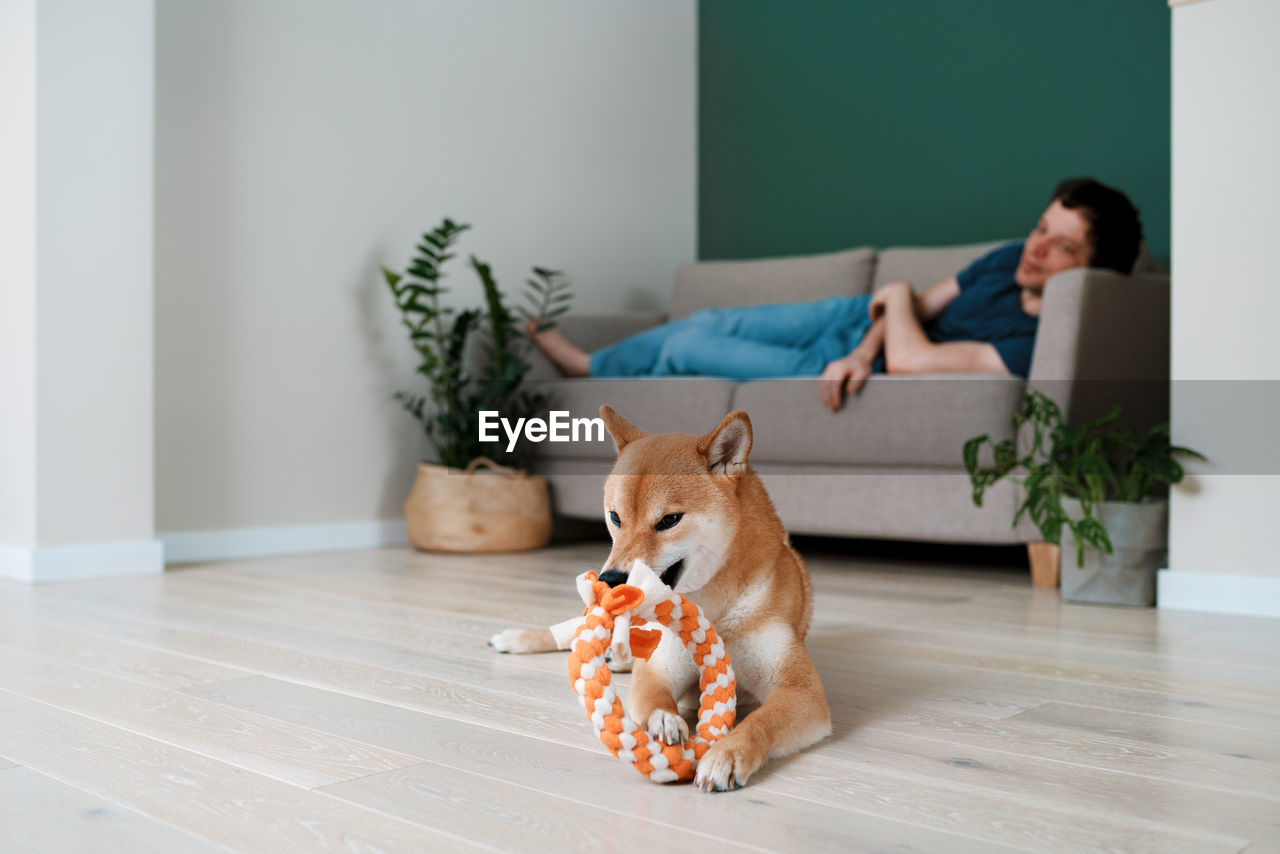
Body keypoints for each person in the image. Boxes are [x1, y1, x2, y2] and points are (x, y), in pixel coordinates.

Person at [530, 177, 1143, 411]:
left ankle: (588, 366)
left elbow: (911, 358)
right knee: (712, 317)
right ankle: (605, 367)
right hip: (849, 328)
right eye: (1041, 228)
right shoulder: (1007, 259)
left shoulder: (1036, 341)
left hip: (830, 365)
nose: (1035, 248)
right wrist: (867, 337)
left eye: (1062, 246)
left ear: (1094, 269)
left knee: (689, 343)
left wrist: (894, 298)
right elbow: (906, 312)